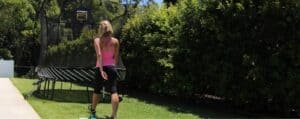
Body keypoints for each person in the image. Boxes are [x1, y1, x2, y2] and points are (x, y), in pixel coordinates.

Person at [90, 20, 120, 119]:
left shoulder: (97, 40)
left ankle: (93, 113)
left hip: (100, 67)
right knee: (114, 91)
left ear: (101, 29)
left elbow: (99, 55)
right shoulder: (115, 41)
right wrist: (114, 67)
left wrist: (102, 70)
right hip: (111, 68)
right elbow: (116, 57)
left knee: (97, 90)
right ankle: (114, 116)